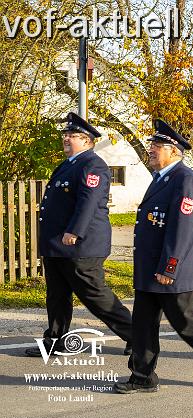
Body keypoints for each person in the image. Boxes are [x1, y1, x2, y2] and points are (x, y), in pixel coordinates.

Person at [114, 119, 193, 393]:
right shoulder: (161, 178)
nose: (151, 149)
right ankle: (142, 376)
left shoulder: (185, 179)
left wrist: (169, 267)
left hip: (173, 268)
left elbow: (183, 228)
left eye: (157, 146)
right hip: (151, 266)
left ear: (174, 151)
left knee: (185, 322)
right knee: (143, 323)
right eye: (152, 144)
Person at [26, 112, 132, 357]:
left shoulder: (92, 165)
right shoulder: (68, 165)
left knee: (95, 296)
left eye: (72, 135)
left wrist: (74, 231)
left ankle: (137, 336)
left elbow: (89, 201)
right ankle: (55, 340)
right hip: (57, 245)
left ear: (87, 141)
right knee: (57, 296)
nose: (66, 139)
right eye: (65, 135)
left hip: (80, 246)